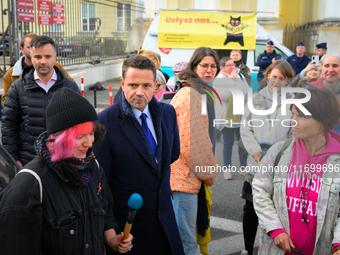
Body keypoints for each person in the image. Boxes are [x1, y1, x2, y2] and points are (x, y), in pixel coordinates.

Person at [0, 87, 133, 254]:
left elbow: (105, 213)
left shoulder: (93, 167)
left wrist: (112, 240)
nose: (89, 143)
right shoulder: (30, 185)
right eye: (80, 137)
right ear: (59, 138)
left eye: (91, 134)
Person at [93, 55, 185, 255]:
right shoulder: (103, 122)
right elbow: (101, 185)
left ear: (156, 86)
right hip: (128, 231)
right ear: (122, 83)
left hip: (165, 224)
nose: (139, 92)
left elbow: (171, 155)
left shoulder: (167, 113)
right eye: (133, 85)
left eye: (146, 85)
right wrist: (109, 233)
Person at [252, 88, 340, 255]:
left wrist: (338, 244)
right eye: (293, 114)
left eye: (302, 116)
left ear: (324, 120)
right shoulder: (279, 151)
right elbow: (259, 190)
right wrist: (275, 228)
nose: (293, 121)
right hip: (277, 250)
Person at [240, 60, 295, 255]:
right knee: (251, 208)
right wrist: (254, 149)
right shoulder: (255, 99)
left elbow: (293, 132)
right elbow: (246, 128)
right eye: (274, 77)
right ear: (267, 76)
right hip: (256, 161)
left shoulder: (293, 101)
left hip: (282, 162)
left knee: (277, 207)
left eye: (282, 78)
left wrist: (283, 153)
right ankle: (247, 249)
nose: (277, 82)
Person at [2, 36, 80, 168]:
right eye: (38, 57)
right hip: (28, 162)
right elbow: (9, 125)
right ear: (31, 57)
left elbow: (79, 125)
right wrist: (12, 158)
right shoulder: (17, 87)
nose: (43, 61)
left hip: (63, 161)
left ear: (55, 57)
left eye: (48, 56)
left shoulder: (70, 87)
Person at [170, 46, 217, 254]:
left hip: (183, 177)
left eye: (213, 66)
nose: (209, 70)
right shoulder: (192, 95)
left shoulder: (194, 91)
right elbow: (192, 145)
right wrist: (209, 174)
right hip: (182, 180)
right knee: (186, 243)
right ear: (194, 66)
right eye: (204, 65)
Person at [2, 33, 73, 102]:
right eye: (29, 47)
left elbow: (71, 86)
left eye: (37, 46)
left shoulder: (56, 66)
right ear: (22, 49)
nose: (33, 49)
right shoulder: (10, 74)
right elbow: (7, 100)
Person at [214, 56, 248, 180]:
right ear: (222, 67)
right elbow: (224, 96)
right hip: (226, 116)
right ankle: (227, 168)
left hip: (240, 113)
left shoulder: (240, 76)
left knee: (242, 141)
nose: (233, 67)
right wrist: (232, 81)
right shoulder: (219, 79)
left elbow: (245, 90)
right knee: (227, 143)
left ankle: (243, 167)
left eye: (233, 64)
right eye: (229, 65)